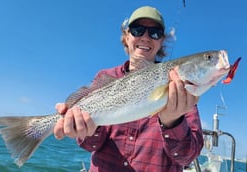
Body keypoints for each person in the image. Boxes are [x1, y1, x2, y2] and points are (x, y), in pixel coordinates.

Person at [54, 6, 204, 172]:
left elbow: (188, 156)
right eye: (137, 30)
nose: (145, 37)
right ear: (126, 36)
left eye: (154, 33)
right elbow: (91, 145)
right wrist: (85, 129)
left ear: (161, 41)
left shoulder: (181, 88)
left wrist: (173, 122)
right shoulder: (105, 76)